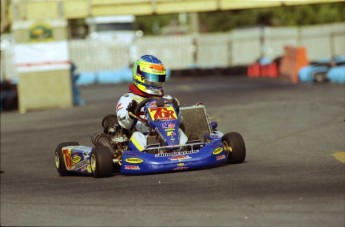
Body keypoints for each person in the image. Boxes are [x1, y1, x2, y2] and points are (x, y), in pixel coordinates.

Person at [116, 55, 188, 152]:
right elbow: (125, 125)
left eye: (159, 78)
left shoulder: (167, 99)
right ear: (139, 76)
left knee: (179, 132)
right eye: (152, 78)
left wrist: (177, 110)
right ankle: (147, 154)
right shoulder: (128, 99)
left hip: (167, 135)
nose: (155, 82)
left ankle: (186, 149)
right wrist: (131, 114)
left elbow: (178, 121)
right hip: (144, 136)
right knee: (137, 137)